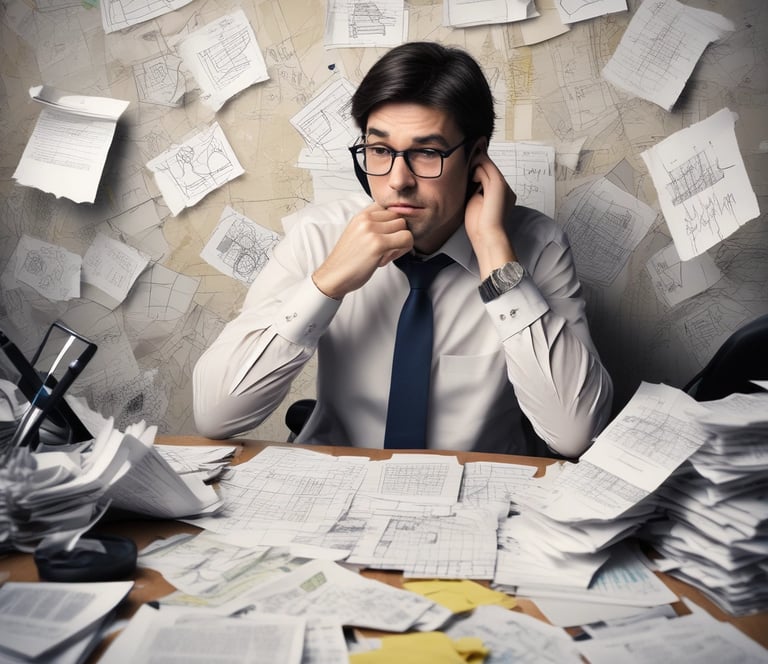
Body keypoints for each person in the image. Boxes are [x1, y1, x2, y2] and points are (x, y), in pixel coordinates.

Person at [193, 41, 613, 457]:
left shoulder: (537, 245)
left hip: (476, 497)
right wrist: (327, 285)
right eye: (379, 150)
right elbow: (215, 416)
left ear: (476, 157)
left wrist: (493, 252)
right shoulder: (318, 235)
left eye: (426, 153)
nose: (397, 180)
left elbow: (577, 435)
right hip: (337, 484)